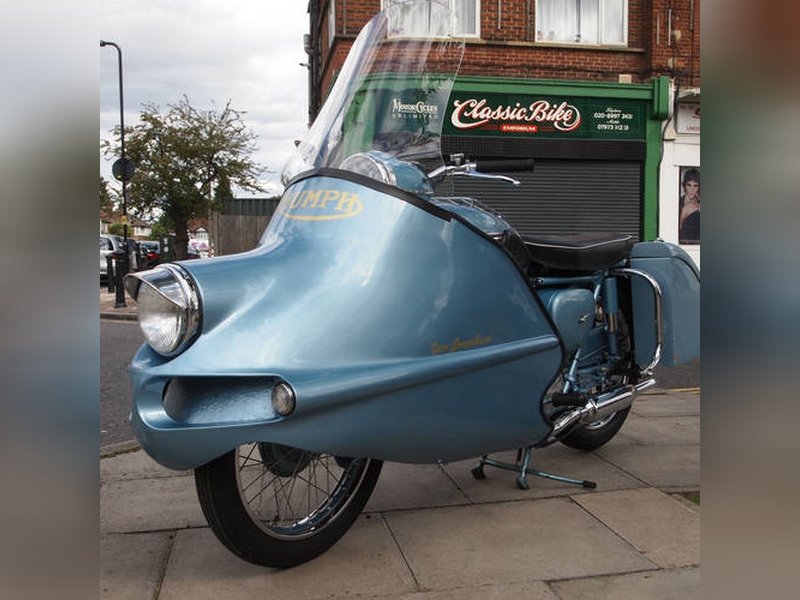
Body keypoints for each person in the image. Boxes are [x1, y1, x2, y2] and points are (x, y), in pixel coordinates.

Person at [679, 168, 700, 244]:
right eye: (689, 185)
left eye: (695, 186)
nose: (692, 189)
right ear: (684, 186)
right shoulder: (677, 204)